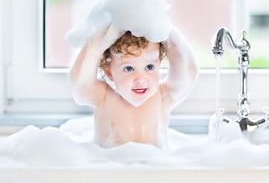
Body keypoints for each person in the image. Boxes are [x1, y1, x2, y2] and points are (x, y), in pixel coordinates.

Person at [69, 23, 198, 148]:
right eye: (129, 68)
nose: (141, 79)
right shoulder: (103, 96)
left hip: (156, 167)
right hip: (110, 167)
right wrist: (98, 40)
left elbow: (188, 72)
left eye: (149, 67)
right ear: (110, 73)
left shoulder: (163, 96)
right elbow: (80, 85)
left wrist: (166, 31)